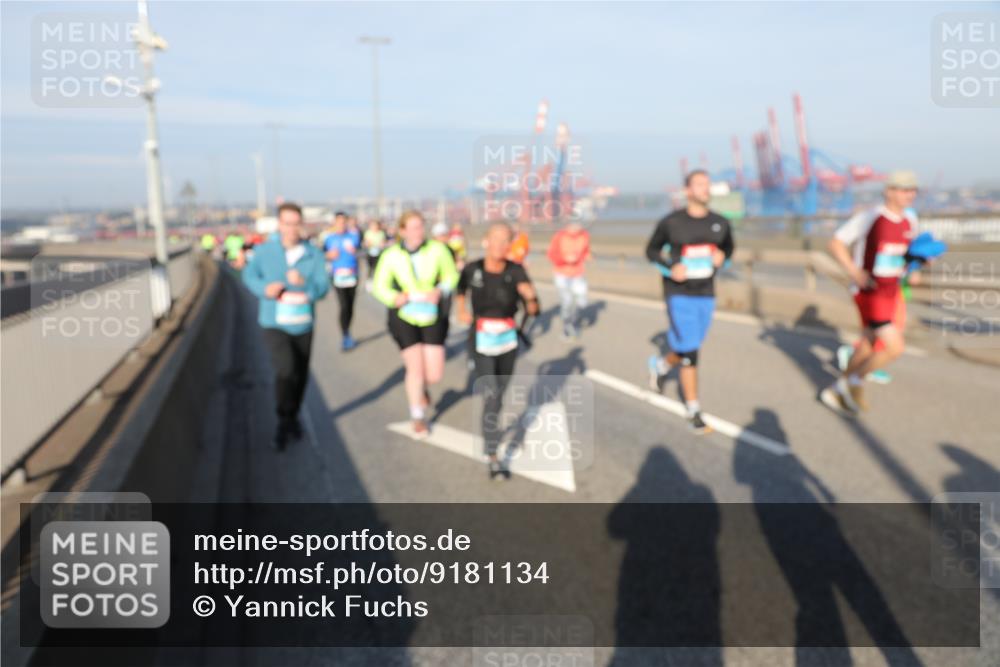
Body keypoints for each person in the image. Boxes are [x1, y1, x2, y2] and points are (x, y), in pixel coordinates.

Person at [819, 171, 920, 416]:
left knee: (868, 343)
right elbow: (836, 242)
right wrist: (854, 271)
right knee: (894, 347)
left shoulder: (910, 220)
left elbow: (908, 252)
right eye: (903, 190)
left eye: (912, 190)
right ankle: (851, 382)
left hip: (892, 290)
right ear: (889, 191)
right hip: (870, 293)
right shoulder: (871, 217)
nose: (909, 195)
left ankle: (837, 389)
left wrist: (915, 268)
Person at [645, 170, 734, 434]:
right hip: (678, 292)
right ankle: (693, 409)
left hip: (706, 292)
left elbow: (728, 249)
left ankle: (660, 366)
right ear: (687, 191)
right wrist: (671, 266)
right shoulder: (671, 222)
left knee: (688, 345)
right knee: (692, 350)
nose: (705, 189)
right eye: (699, 184)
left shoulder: (721, 222)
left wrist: (723, 258)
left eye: (707, 184)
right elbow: (651, 250)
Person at [456, 222, 540, 479]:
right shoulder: (473, 269)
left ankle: (490, 429)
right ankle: (492, 453)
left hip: (507, 339)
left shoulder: (516, 271)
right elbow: (461, 290)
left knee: (500, 393)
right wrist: (461, 310)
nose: (501, 246)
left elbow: (533, 305)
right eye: (496, 239)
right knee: (491, 393)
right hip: (481, 338)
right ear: (486, 241)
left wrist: (531, 298)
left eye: (506, 241)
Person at [243, 202, 329, 449]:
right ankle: (283, 418)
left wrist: (305, 285)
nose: (291, 228)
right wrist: (265, 289)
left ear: (301, 225)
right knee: (285, 370)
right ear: (279, 224)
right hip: (274, 322)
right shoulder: (264, 251)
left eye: (295, 223)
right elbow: (250, 276)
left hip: (303, 323)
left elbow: (323, 288)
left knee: (300, 375)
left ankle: (293, 415)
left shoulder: (313, 254)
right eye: (286, 223)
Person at [372, 210, 459, 436]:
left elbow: (451, 276)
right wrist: (394, 297)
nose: (418, 232)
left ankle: (423, 388)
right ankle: (417, 416)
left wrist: (440, 290)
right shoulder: (391, 255)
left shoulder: (438, 250)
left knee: (434, 373)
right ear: (402, 231)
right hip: (403, 315)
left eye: (420, 226)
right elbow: (379, 285)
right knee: (415, 367)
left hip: (431, 314)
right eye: (412, 227)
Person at [323, 214, 362, 351]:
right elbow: (321, 255)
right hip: (337, 276)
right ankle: (345, 335)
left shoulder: (354, 236)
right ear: (334, 223)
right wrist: (328, 255)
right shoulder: (329, 238)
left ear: (347, 223)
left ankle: (347, 330)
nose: (341, 225)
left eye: (343, 222)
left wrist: (356, 251)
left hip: (352, 275)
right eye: (338, 222)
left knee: (351, 307)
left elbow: (364, 252)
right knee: (343, 305)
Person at [547, 221, 591, 339]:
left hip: (578, 273)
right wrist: (565, 259)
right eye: (573, 225)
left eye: (579, 224)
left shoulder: (584, 235)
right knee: (567, 302)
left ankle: (574, 320)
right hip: (562, 274)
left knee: (582, 302)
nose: (576, 227)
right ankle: (567, 326)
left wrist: (587, 256)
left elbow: (586, 251)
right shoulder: (559, 236)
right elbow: (551, 254)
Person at [362, 219, 387, 286]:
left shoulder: (381, 233)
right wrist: (369, 244)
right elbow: (366, 242)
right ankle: (369, 281)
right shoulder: (368, 233)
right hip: (370, 253)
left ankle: (379, 281)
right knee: (370, 267)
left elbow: (383, 242)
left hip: (379, 253)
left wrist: (381, 244)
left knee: (379, 267)